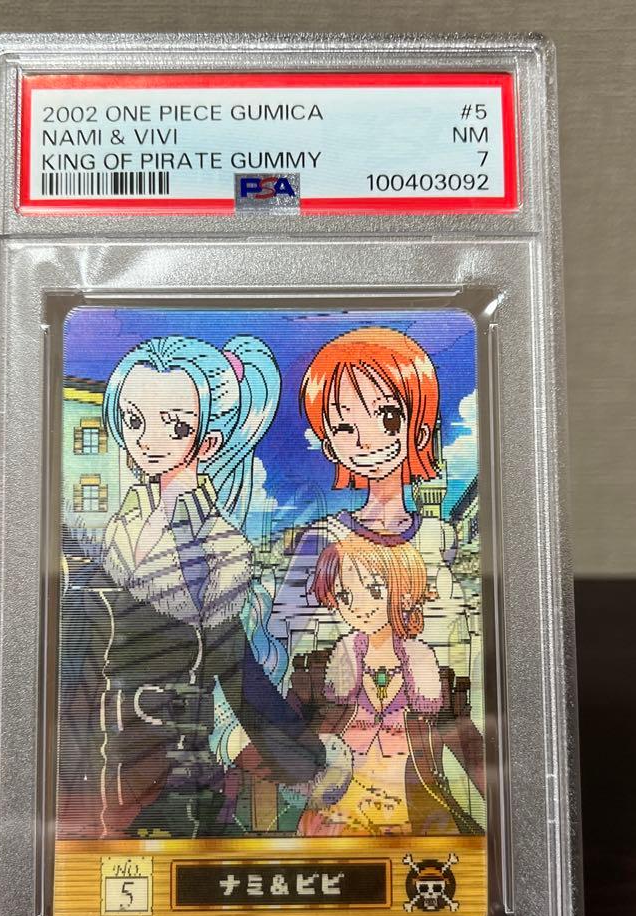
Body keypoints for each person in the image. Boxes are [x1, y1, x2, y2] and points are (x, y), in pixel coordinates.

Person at [56, 333, 322, 841]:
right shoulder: (120, 527)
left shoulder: (218, 545)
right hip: (97, 747)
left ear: (208, 442)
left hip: (173, 755)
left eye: (174, 426)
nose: (148, 440)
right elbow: (85, 654)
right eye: (134, 421)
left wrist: (301, 760)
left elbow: (233, 664)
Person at [270, 327, 464, 672]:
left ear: (419, 433)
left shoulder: (439, 538)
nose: (365, 441)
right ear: (330, 447)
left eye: (387, 418)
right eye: (345, 428)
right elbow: (280, 639)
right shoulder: (322, 540)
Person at [291, 536, 483, 837]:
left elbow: (476, 757)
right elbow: (281, 733)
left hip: (413, 813)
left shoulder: (428, 677)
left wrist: (511, 808)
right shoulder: (329, 674)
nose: (358, 607)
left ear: (404, 590)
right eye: (344, 595)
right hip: (335, 815)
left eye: (374, 589)